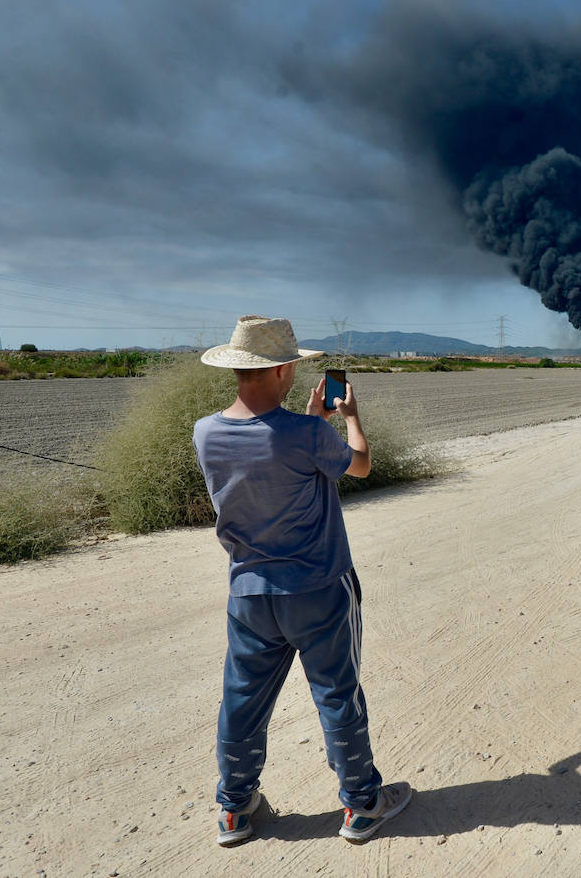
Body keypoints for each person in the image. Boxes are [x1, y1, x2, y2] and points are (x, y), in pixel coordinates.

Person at [194, 315, 410, 846]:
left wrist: (309, 422)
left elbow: (264, 456)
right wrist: (349, 418)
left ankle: (234, 808)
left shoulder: (206, 431)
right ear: (284, 369)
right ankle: (362, 805)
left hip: (248, 592)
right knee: (337, 695)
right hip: (316, 588)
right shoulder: (309, 433)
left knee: (242, 701)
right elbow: (357, 465)